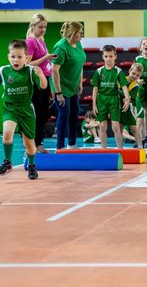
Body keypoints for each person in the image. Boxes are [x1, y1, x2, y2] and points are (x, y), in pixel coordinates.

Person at [0, 40, 47, 180]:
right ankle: (8, 162)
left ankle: (32, 166)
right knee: (7, 132)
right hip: (10, 108)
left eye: (20, 57)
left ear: (26, 57)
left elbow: (44, 86)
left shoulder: (30, 71)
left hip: (26, 110)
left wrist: (41, 75)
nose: (16, 60)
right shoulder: (3, 71)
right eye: (13, 56)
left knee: (29, 145)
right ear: (8, 57)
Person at [51, 21, 86, 150]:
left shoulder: (78, 43)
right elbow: (54, 71)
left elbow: (80, 63)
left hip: (73, 86)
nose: (81, 35)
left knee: (74, 113)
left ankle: (71, 143)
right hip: (62, 86)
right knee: (64, 114)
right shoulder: (61, 47)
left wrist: (80, 82)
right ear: (72, 33)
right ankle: (60, 146)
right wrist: (59, 93)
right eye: (79, 33)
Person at [26, 13, 56, 154]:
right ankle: (31, 145)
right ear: (33, 26)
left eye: (45, 27)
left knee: (43, 114)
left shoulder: (41, 41)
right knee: (36, 114)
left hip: (45, 80)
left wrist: (50, 87)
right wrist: (45, 57)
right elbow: (27, 64)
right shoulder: (30, 41)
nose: (43, 29)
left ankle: (38, 144)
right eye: (40, 27)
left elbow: (46, 66)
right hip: (36, 82)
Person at [91, 45, 130, 149]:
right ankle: (104, 150)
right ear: (103, 57)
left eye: (111, 56)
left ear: (115, 56)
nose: (108, 58)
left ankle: (120, 149)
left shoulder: (118, 71)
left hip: (114, 99)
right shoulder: (99, 71)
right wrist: (94, 104)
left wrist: (127, 99)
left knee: (115, 126)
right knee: (102, 126)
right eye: (106, 56)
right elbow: (95, 89)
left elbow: (124, 86)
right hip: (101, 100)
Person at [120, 63, 144, 149]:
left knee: (134, 128)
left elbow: (130, 96)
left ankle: (140, 146)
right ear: (129, 71)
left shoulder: (136, 85)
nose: (135, 76)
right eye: (133, 73)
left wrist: (122, 95)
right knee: (119, 128)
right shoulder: (122, 79)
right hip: (119, 106)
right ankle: (120, 147)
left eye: (137, 75)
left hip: (130, 108)